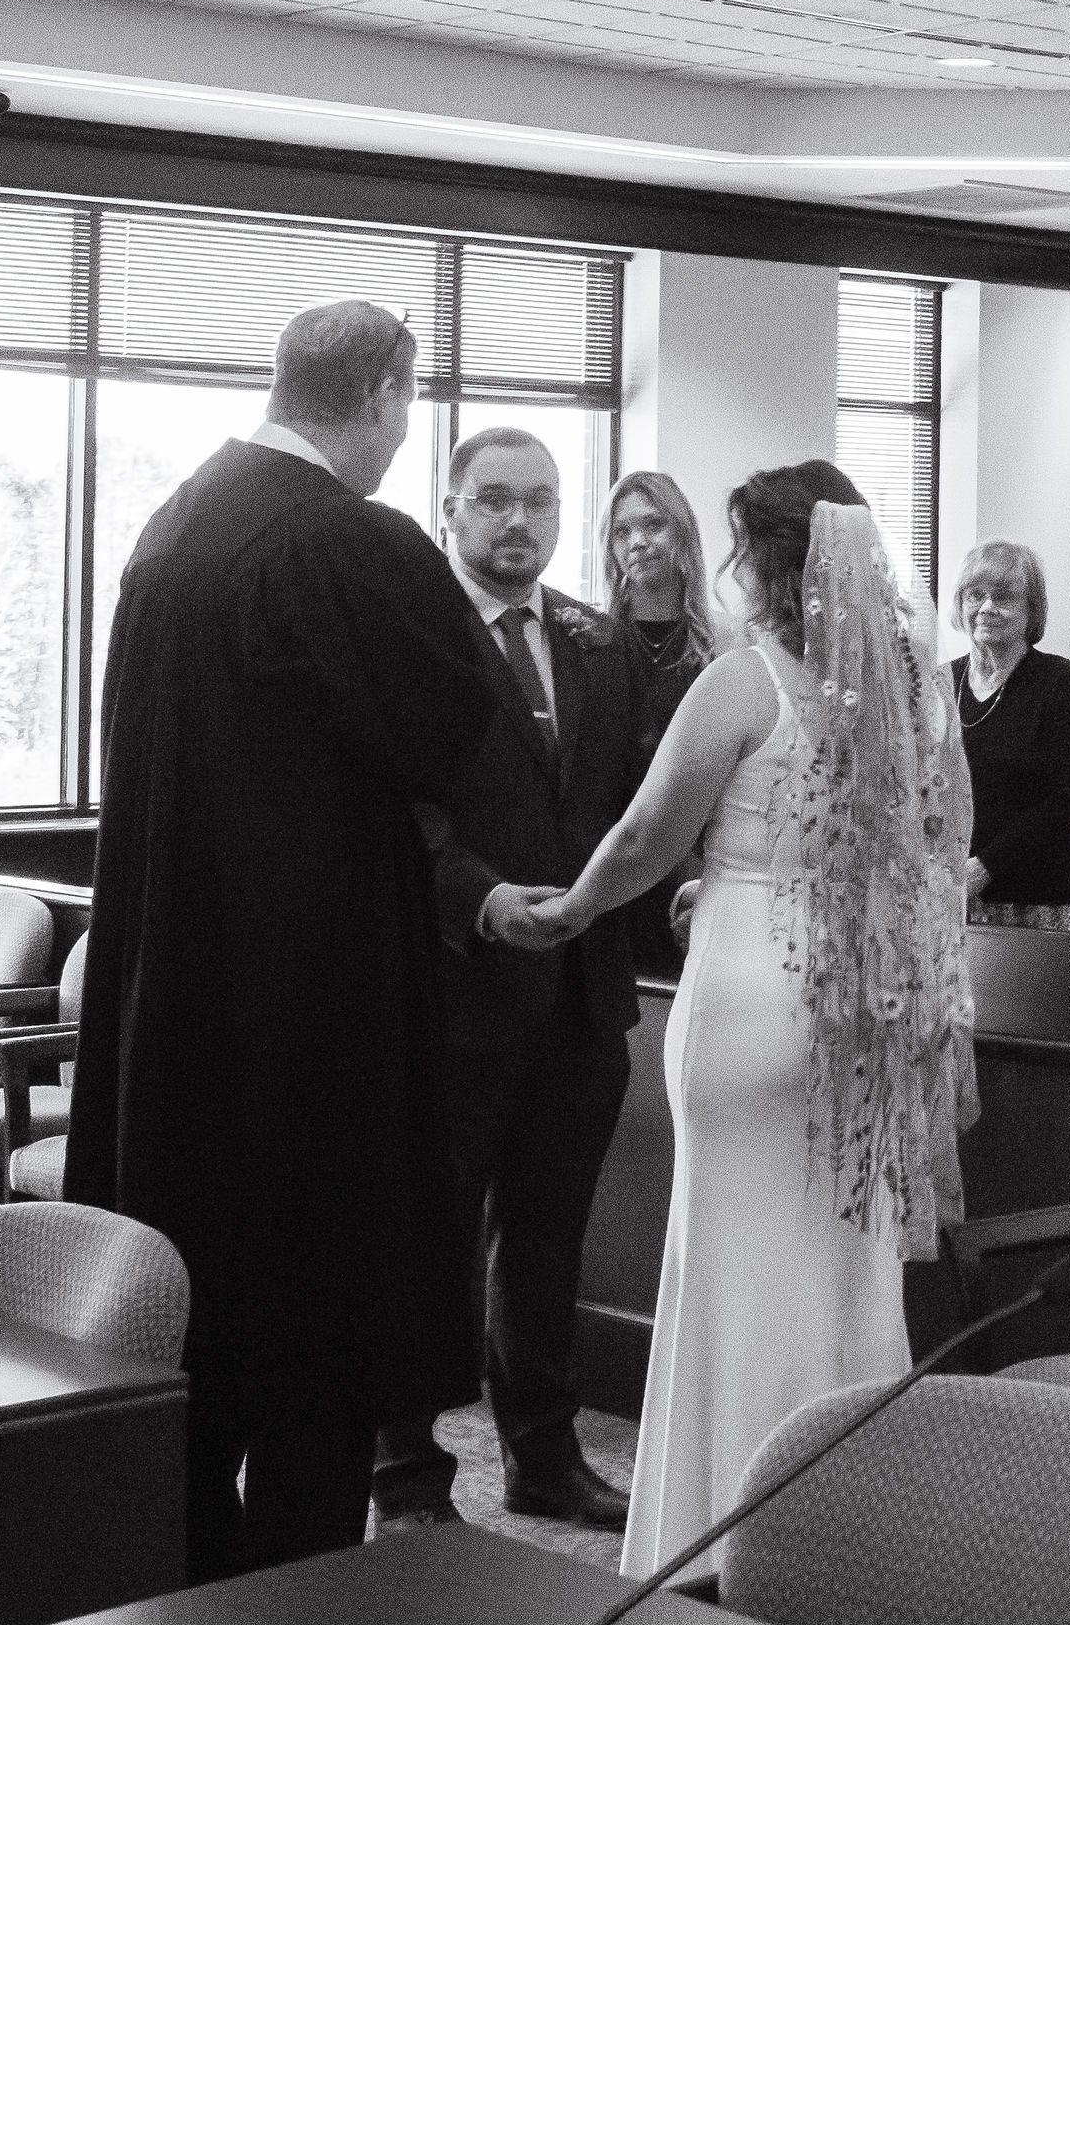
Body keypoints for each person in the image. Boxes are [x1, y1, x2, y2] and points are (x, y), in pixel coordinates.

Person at [63, 300, 501, 1580]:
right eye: (407, 407)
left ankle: (188, 1588)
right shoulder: (349, 539)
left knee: (193, 1323)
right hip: (310, 1010)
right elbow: (448, 731)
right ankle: (301, 1605)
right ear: (381, 395)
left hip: (178, 989)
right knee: (319, 1337)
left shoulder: (174, 524)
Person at [513, 465, 981, 1581]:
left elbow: (643, 835)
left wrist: (572, 911)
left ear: (770, 564)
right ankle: (852, 1540)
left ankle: (716, 1531)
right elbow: (925, 856)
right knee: (845, 1270)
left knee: (732, 1265)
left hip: (751, 1001)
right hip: (860, 1007)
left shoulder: (745, 681)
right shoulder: (915, 690)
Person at [373, 428, 643, 1530]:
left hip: (579, 998)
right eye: (493, 500)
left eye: (540, 500)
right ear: (449, 509)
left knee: (548, 1242)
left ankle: (544, 1457)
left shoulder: (597, 641)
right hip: (451, 989)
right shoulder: (407, 632)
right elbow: (395, 808)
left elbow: (627, 802)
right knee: (428, 1241)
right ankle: (406, 1471)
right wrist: (481, 901)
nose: (519, 521)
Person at [601, 468, 721, 976]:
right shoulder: (594, 642)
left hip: (699, 864)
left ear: (682, 531)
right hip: (614, 858)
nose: (638, 541)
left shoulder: (722, 646)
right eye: (622, 531)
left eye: (653, 525)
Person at [950, 536, 1070, 926]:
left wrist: (984, 867)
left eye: (1003, 597)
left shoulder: (1060, 680)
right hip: (951, 890)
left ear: (1032, 610)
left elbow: (1066, 798)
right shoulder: (941, 681)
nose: (986, 608)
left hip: (1036, 894)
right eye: (975, 595)